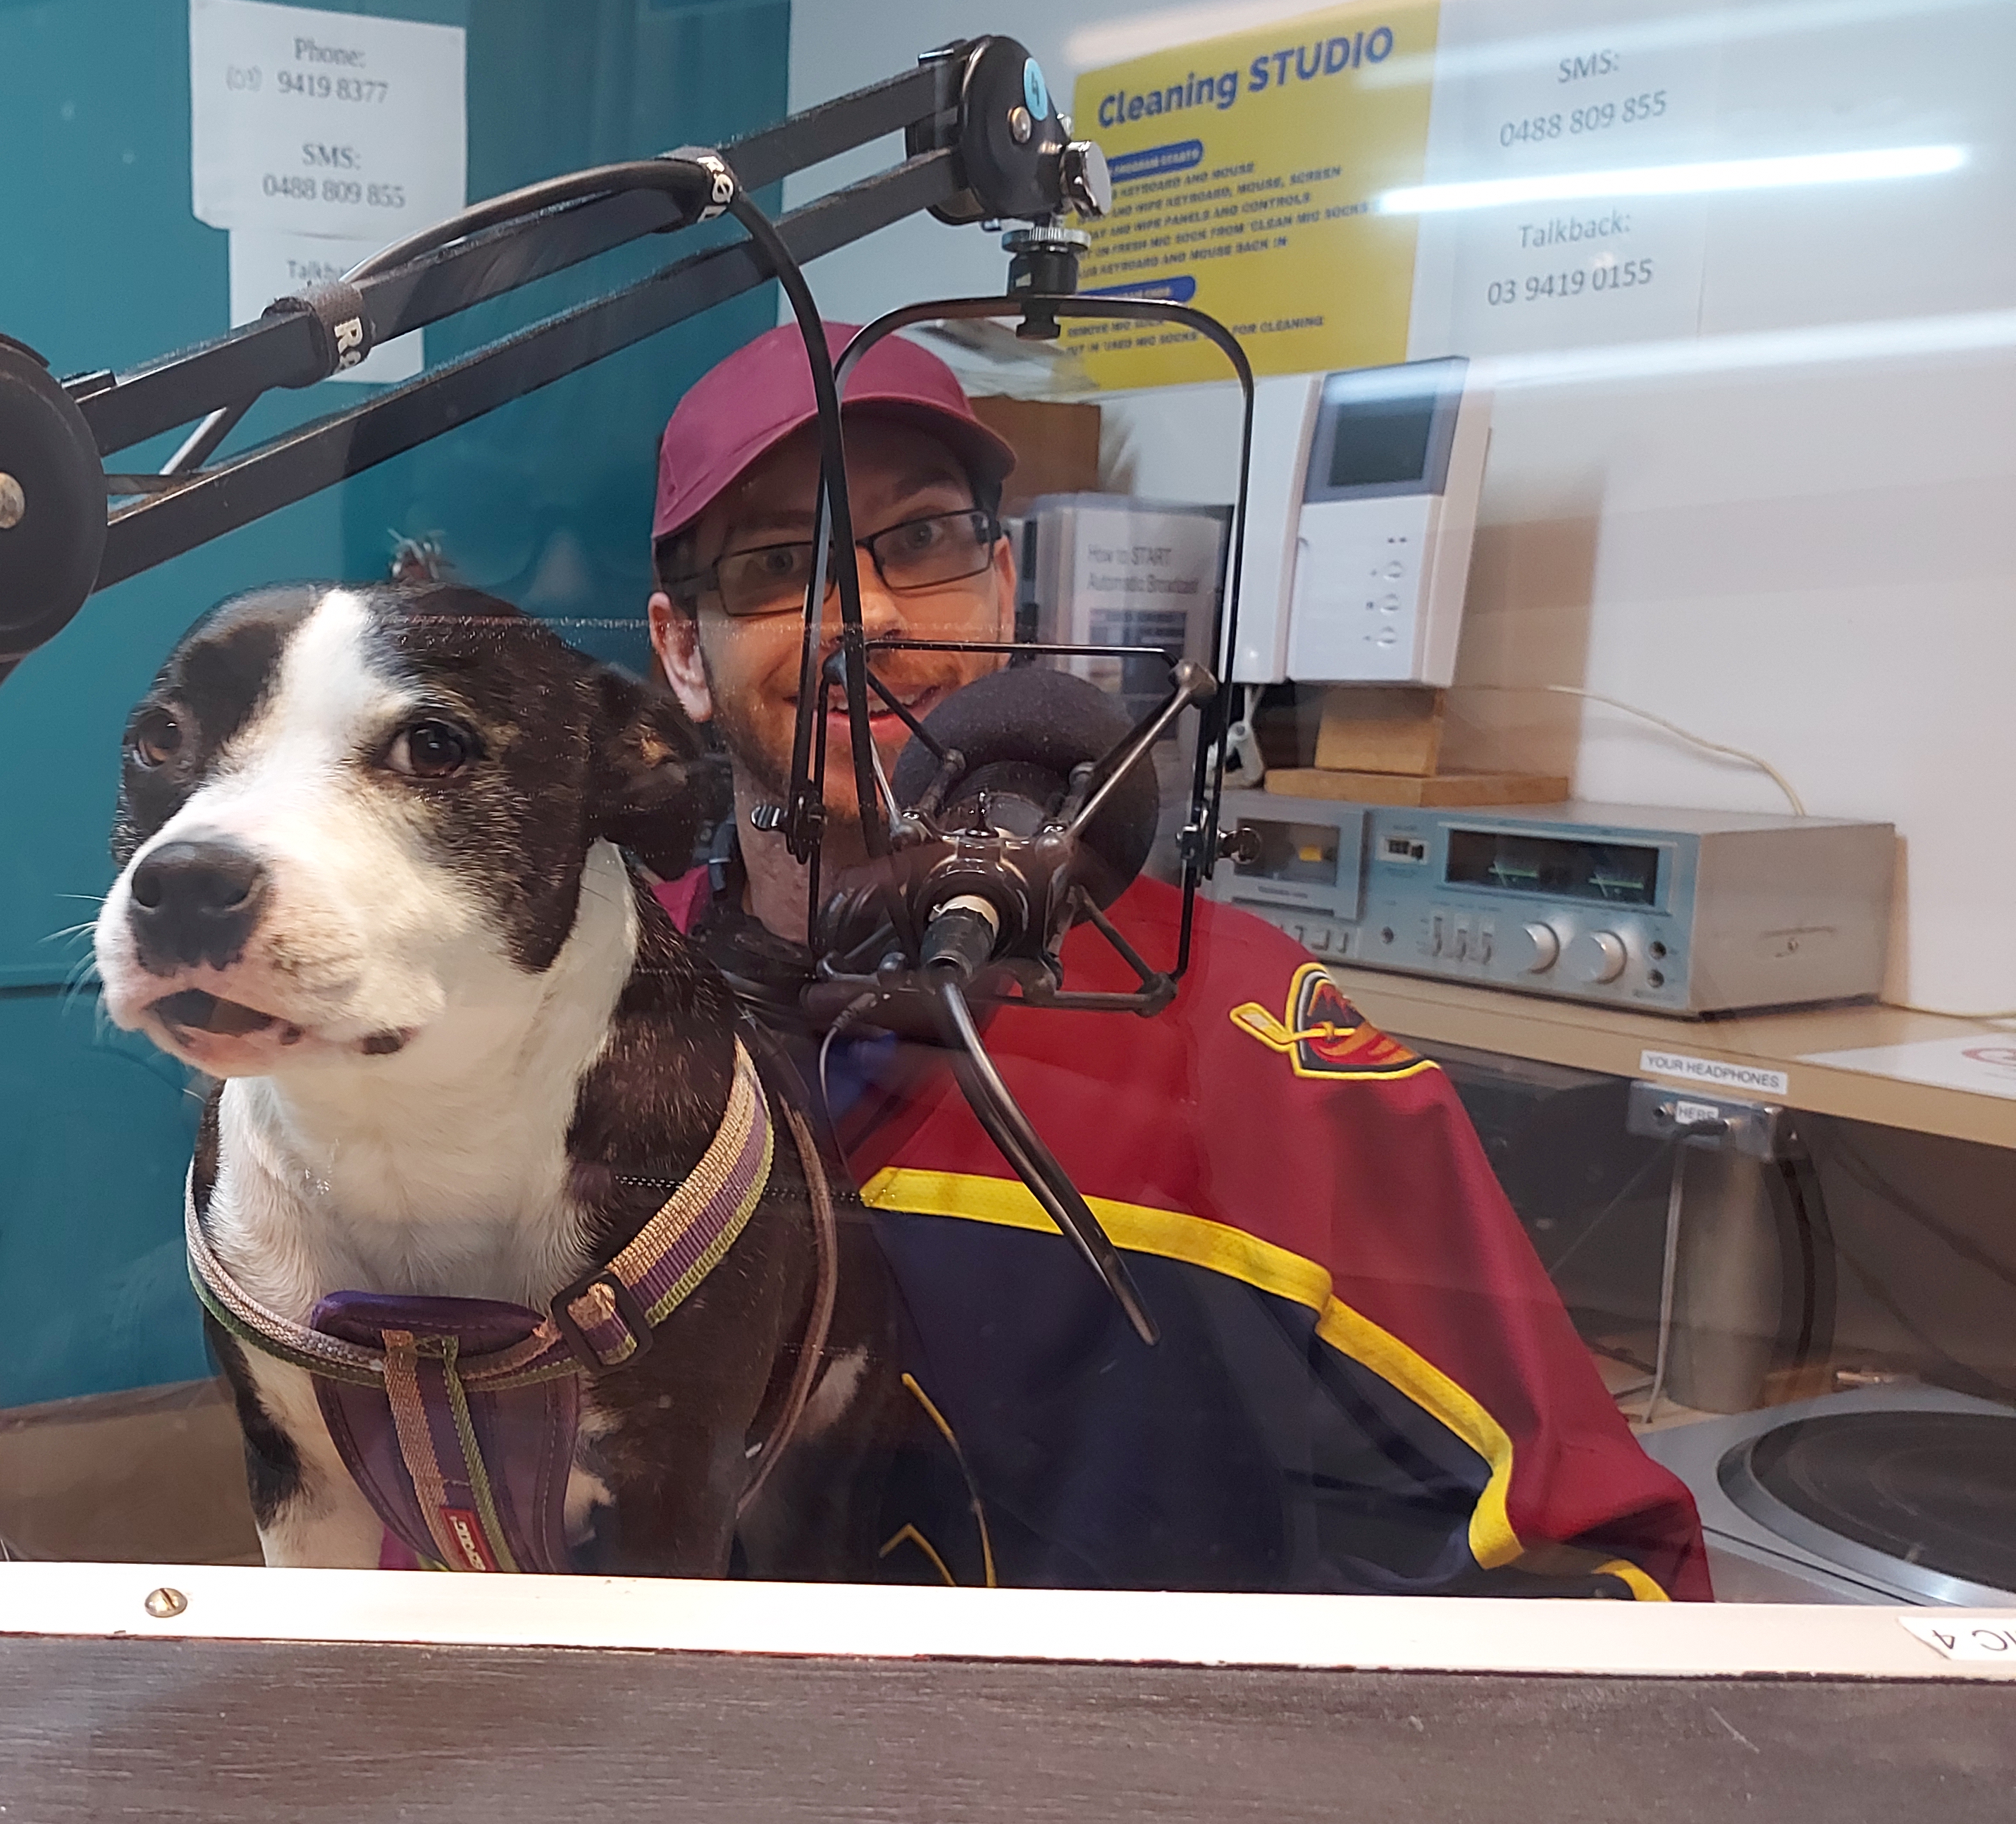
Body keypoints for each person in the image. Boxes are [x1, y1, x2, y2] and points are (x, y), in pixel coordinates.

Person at [643, 322, 1708, 1598]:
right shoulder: (589, 1020)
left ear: (1006, 594)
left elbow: (1592, 1564)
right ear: (680, 652)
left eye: (923, 541)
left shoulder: (1235, 1033)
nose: (866, 611)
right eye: (777, 564)